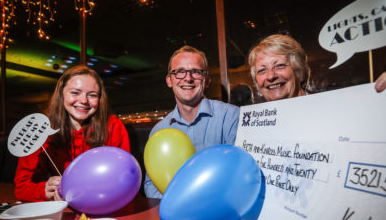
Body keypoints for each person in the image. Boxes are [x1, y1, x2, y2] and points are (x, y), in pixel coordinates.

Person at [14, 65, 130, 202]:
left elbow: (126, 177)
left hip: (105, 203)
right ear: (61, 94)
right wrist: (45, 189)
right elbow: (22, 188)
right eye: (75, 93)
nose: (84, 101)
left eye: (92, 95)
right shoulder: (40, 130)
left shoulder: (113, 126)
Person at [143, 46, 239, 198]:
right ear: (169, 80)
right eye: (179, 71)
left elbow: (240, 174)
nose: (188, 78)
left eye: (196, 71)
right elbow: (151, 186)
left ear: (206, 80)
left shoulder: (231, 116)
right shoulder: (158, 131)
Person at [248, 34, 386, 102]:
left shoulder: (334, 107)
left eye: (280, 65)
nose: (270, 76)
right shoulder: (256, 126)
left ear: (299, 72)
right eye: (262, 70)